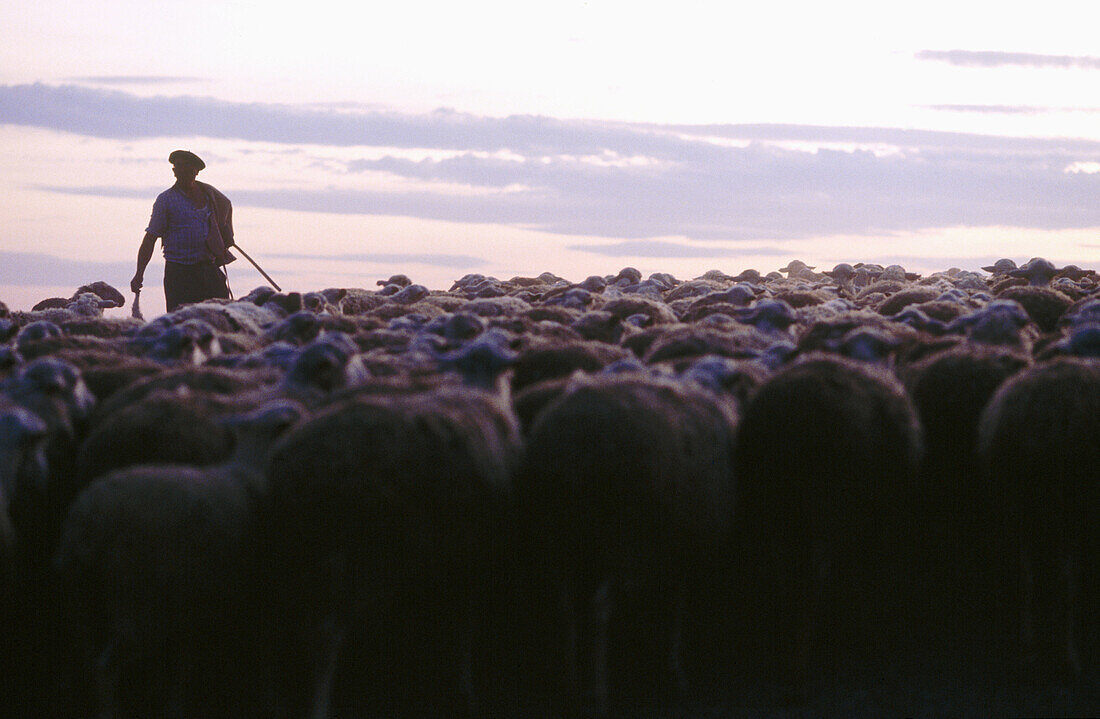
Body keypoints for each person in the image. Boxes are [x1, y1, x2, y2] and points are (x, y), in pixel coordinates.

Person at [131, 150, 236, 312]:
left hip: (209, 270)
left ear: (196, 171)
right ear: (174, 172)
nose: (181, 171)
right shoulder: (166, 200)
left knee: (222, 319)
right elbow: (150, 238)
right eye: (177, 167)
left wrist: (225, 241)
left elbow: (225, 212)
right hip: (179, 274)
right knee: (181, 325)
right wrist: (139, 274)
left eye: (187, 167)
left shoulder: (210, 196)